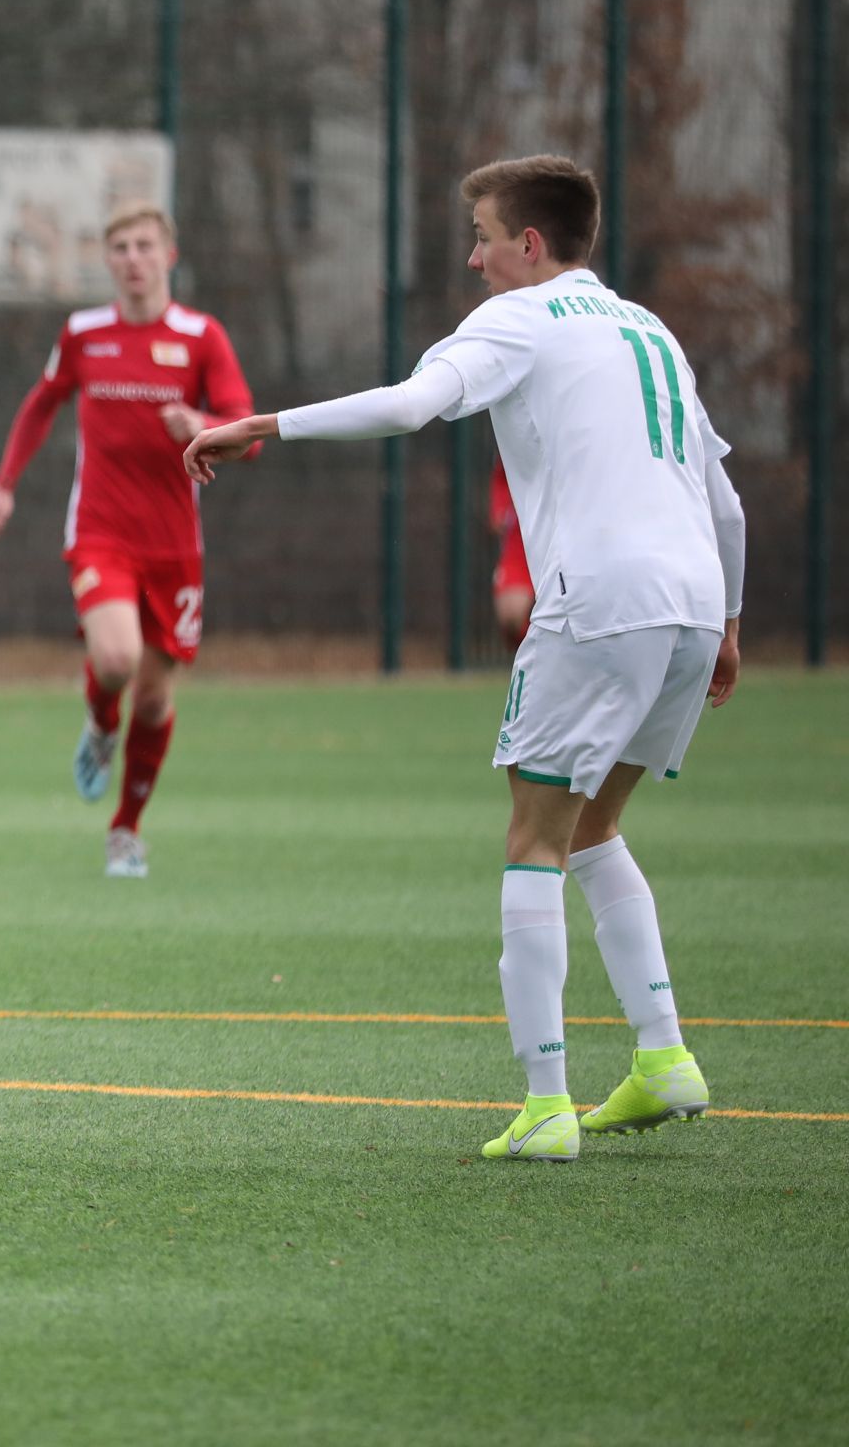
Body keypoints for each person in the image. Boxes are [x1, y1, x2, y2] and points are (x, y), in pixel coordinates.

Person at [186, 156, 743, 1164]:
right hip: (693, 602)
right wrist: (730, 623)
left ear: (531, 245)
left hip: (601, 599)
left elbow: (408, 405)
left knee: (534, 835)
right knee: (594, 826)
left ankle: (546, 1104)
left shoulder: (518, 318)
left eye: (483, 233)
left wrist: (265, 424)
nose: (472, 254)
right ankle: (663, 1057)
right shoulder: (650, 330)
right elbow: (725, 499)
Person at [0, 200, 253, 879]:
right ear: (108, 259)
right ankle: (101, 722)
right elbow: (40, 404)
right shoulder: (83, 333)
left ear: (169, 255)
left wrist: (202, 425)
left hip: (174, 545)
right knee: (119, 659)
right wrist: (4, 483)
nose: (133, 258)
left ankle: (125, 830)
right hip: (100, 533)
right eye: (121, 247)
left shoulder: (200, 336)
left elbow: (246, 425)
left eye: (144, 246)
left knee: (155, 700)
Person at [490, 459, 535, 650]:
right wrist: (499, 508)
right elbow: (503, 472)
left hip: (567, 533)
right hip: (521, 537)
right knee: (510, 617)